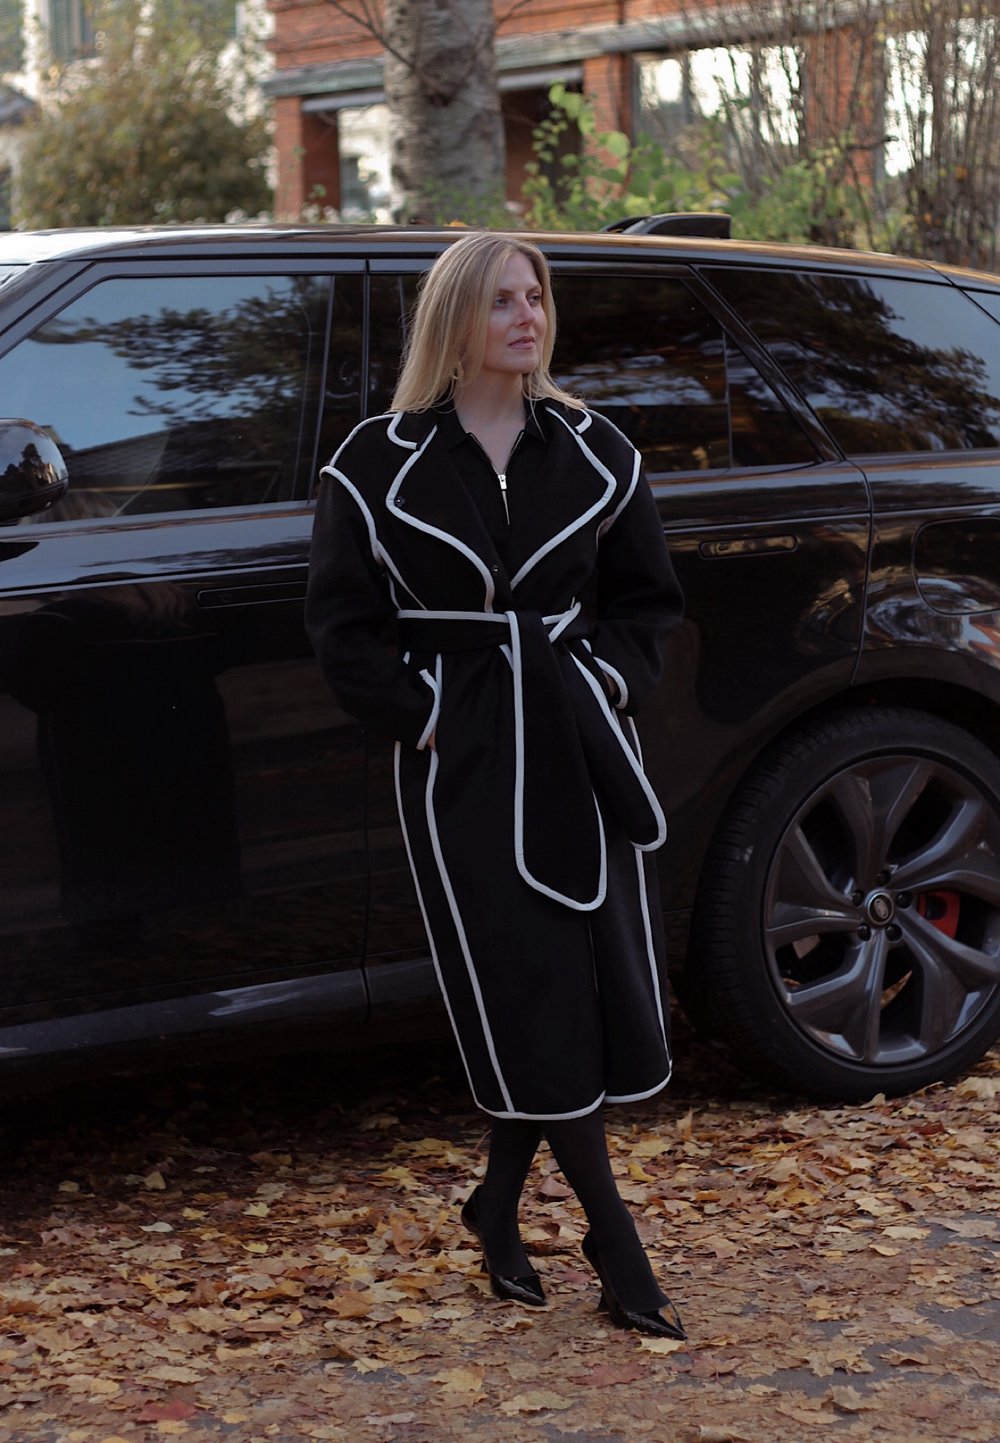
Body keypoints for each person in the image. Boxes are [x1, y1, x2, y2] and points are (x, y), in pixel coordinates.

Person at [306, 231, 686, 1339]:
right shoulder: (374, 464)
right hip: (463, 761)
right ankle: (617, 1243)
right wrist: (427, 718)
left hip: (573, 741)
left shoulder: (597, 449)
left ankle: (496, 1205)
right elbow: (342, 629)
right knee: (523, 983)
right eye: (502, 301)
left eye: (537, 297)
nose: (528, 317)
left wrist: (603, 683)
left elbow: (646, 603)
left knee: (572, 977)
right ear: (454, 321)